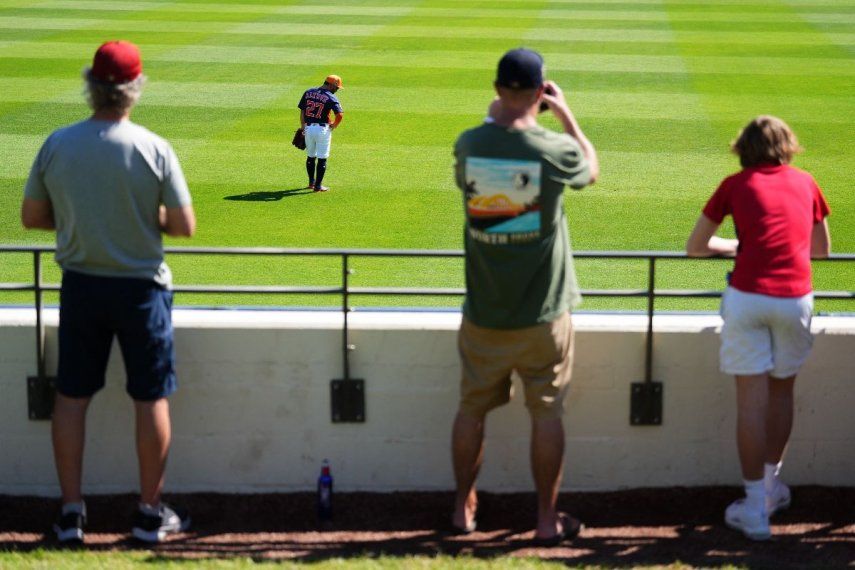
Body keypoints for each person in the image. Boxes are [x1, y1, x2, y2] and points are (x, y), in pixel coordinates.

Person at [21, 40, 196, 545]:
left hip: (81, 285)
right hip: (141, 289)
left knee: (71, 398)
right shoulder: (152, 146)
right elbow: (184, 225)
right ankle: (148, 514)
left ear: (90, 87)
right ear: (135, 89)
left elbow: (32, 217)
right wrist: (140, 219)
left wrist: (82, 220)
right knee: (151, 398)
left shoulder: (59, 142)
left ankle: (71, 514)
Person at [450, 48, 599, 545]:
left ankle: (462, 511)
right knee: (547, 413)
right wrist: (567, 115)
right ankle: (544, 520)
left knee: (471, 409)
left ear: (496, 90)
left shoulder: (470, 143)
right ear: (541, 93)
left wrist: (496, 117)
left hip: (484, 314)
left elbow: (472, 165)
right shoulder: (553, 149)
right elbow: (590, 170)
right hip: (543, 316)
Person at [686, 115, 831, 540]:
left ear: (742, 149)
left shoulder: (734, 185)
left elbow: (695, 248)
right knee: (781, 390)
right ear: (788, 146)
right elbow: (821, 253)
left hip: (747, 297)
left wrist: (738, 246)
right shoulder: (807, 183)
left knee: (750, 402)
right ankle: (770, 490)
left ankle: (754, 509)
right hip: (794, 298)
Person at [298, 75, 344, 192]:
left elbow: (303, 110)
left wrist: (303, 126)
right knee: (322, 158)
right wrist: (334, 125)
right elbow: (340, 115)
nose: (337, 89)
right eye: (336, 87)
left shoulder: (308, 92)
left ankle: (311, 183)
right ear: (331, 84)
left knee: (310, 156)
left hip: (308, 128)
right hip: (322, 130)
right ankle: (318, 186)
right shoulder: (330, 97)